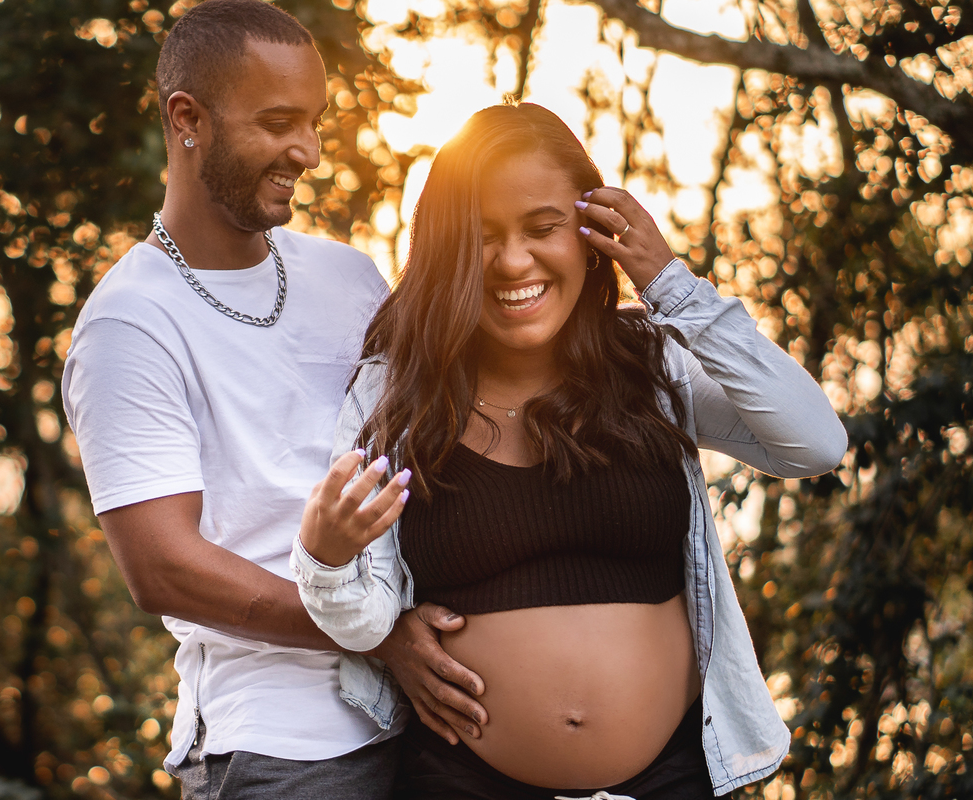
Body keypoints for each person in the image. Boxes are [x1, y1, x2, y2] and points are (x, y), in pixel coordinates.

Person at [291, 102, 848, 799]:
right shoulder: (396, 394)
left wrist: (670, 282)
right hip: (462, 781)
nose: (512, 260)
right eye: (482, 236)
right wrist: (325, 557)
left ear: (592, 232)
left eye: (543, 227)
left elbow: (815, 443)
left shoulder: (650, 364)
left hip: (670, 780)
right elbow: (366, 619)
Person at [61, 1, 479, 797]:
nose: (310, 151)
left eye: (316, 122)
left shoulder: (349, 277)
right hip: (283, 750)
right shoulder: (128, 323)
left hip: (422, 721)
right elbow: (164, 568)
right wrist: (376, 634)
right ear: (188, 119)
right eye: (280, 121)